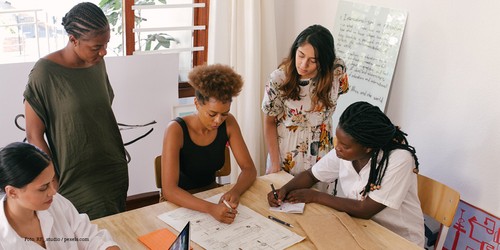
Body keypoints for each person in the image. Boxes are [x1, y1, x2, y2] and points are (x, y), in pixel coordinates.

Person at [267, 101, 425, 247]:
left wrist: (315, 196)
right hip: (361, 229)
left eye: (344, 145)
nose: (337, 148)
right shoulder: (345, 153)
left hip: (398, 240)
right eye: (338, 141)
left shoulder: (399, 159)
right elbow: (311, 175)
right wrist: (284, 190)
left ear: (367, 147)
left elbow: (365, 209)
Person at [23, 2, 128, 220]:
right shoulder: (44, 73)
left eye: (106, 43)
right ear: (73, 39)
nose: (103, 51)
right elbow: (33, 134)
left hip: (112, 168)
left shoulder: (97, 62)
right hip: (75, 176)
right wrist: (51, 179)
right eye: (96, 46)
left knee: (116, 231)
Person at [161, 64, 257, 224]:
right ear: (197, 104)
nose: (218, 120)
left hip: (211, 195)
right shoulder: (175, 130)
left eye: (224, 114)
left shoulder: (229, 123)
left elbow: (249, 169)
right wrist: (211, 209)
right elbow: (169, 190)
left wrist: (236, 191)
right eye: (212, 114)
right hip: (179, 203)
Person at [262, 24, 349, 192]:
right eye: (300, 55)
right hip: (288, 153)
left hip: (323, 152)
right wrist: (274, 164)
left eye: (313, 60)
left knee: (320, 207)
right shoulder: (279, 79)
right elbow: (269, 122)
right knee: (284, 203)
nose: (303, 64)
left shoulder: (337, 71)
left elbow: (338, 94)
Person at [0, 142, 120, 249]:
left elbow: (89, 237)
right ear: (12, 192)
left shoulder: (55, 202)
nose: (53, 191)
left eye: (52, 180)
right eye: (43, 187)